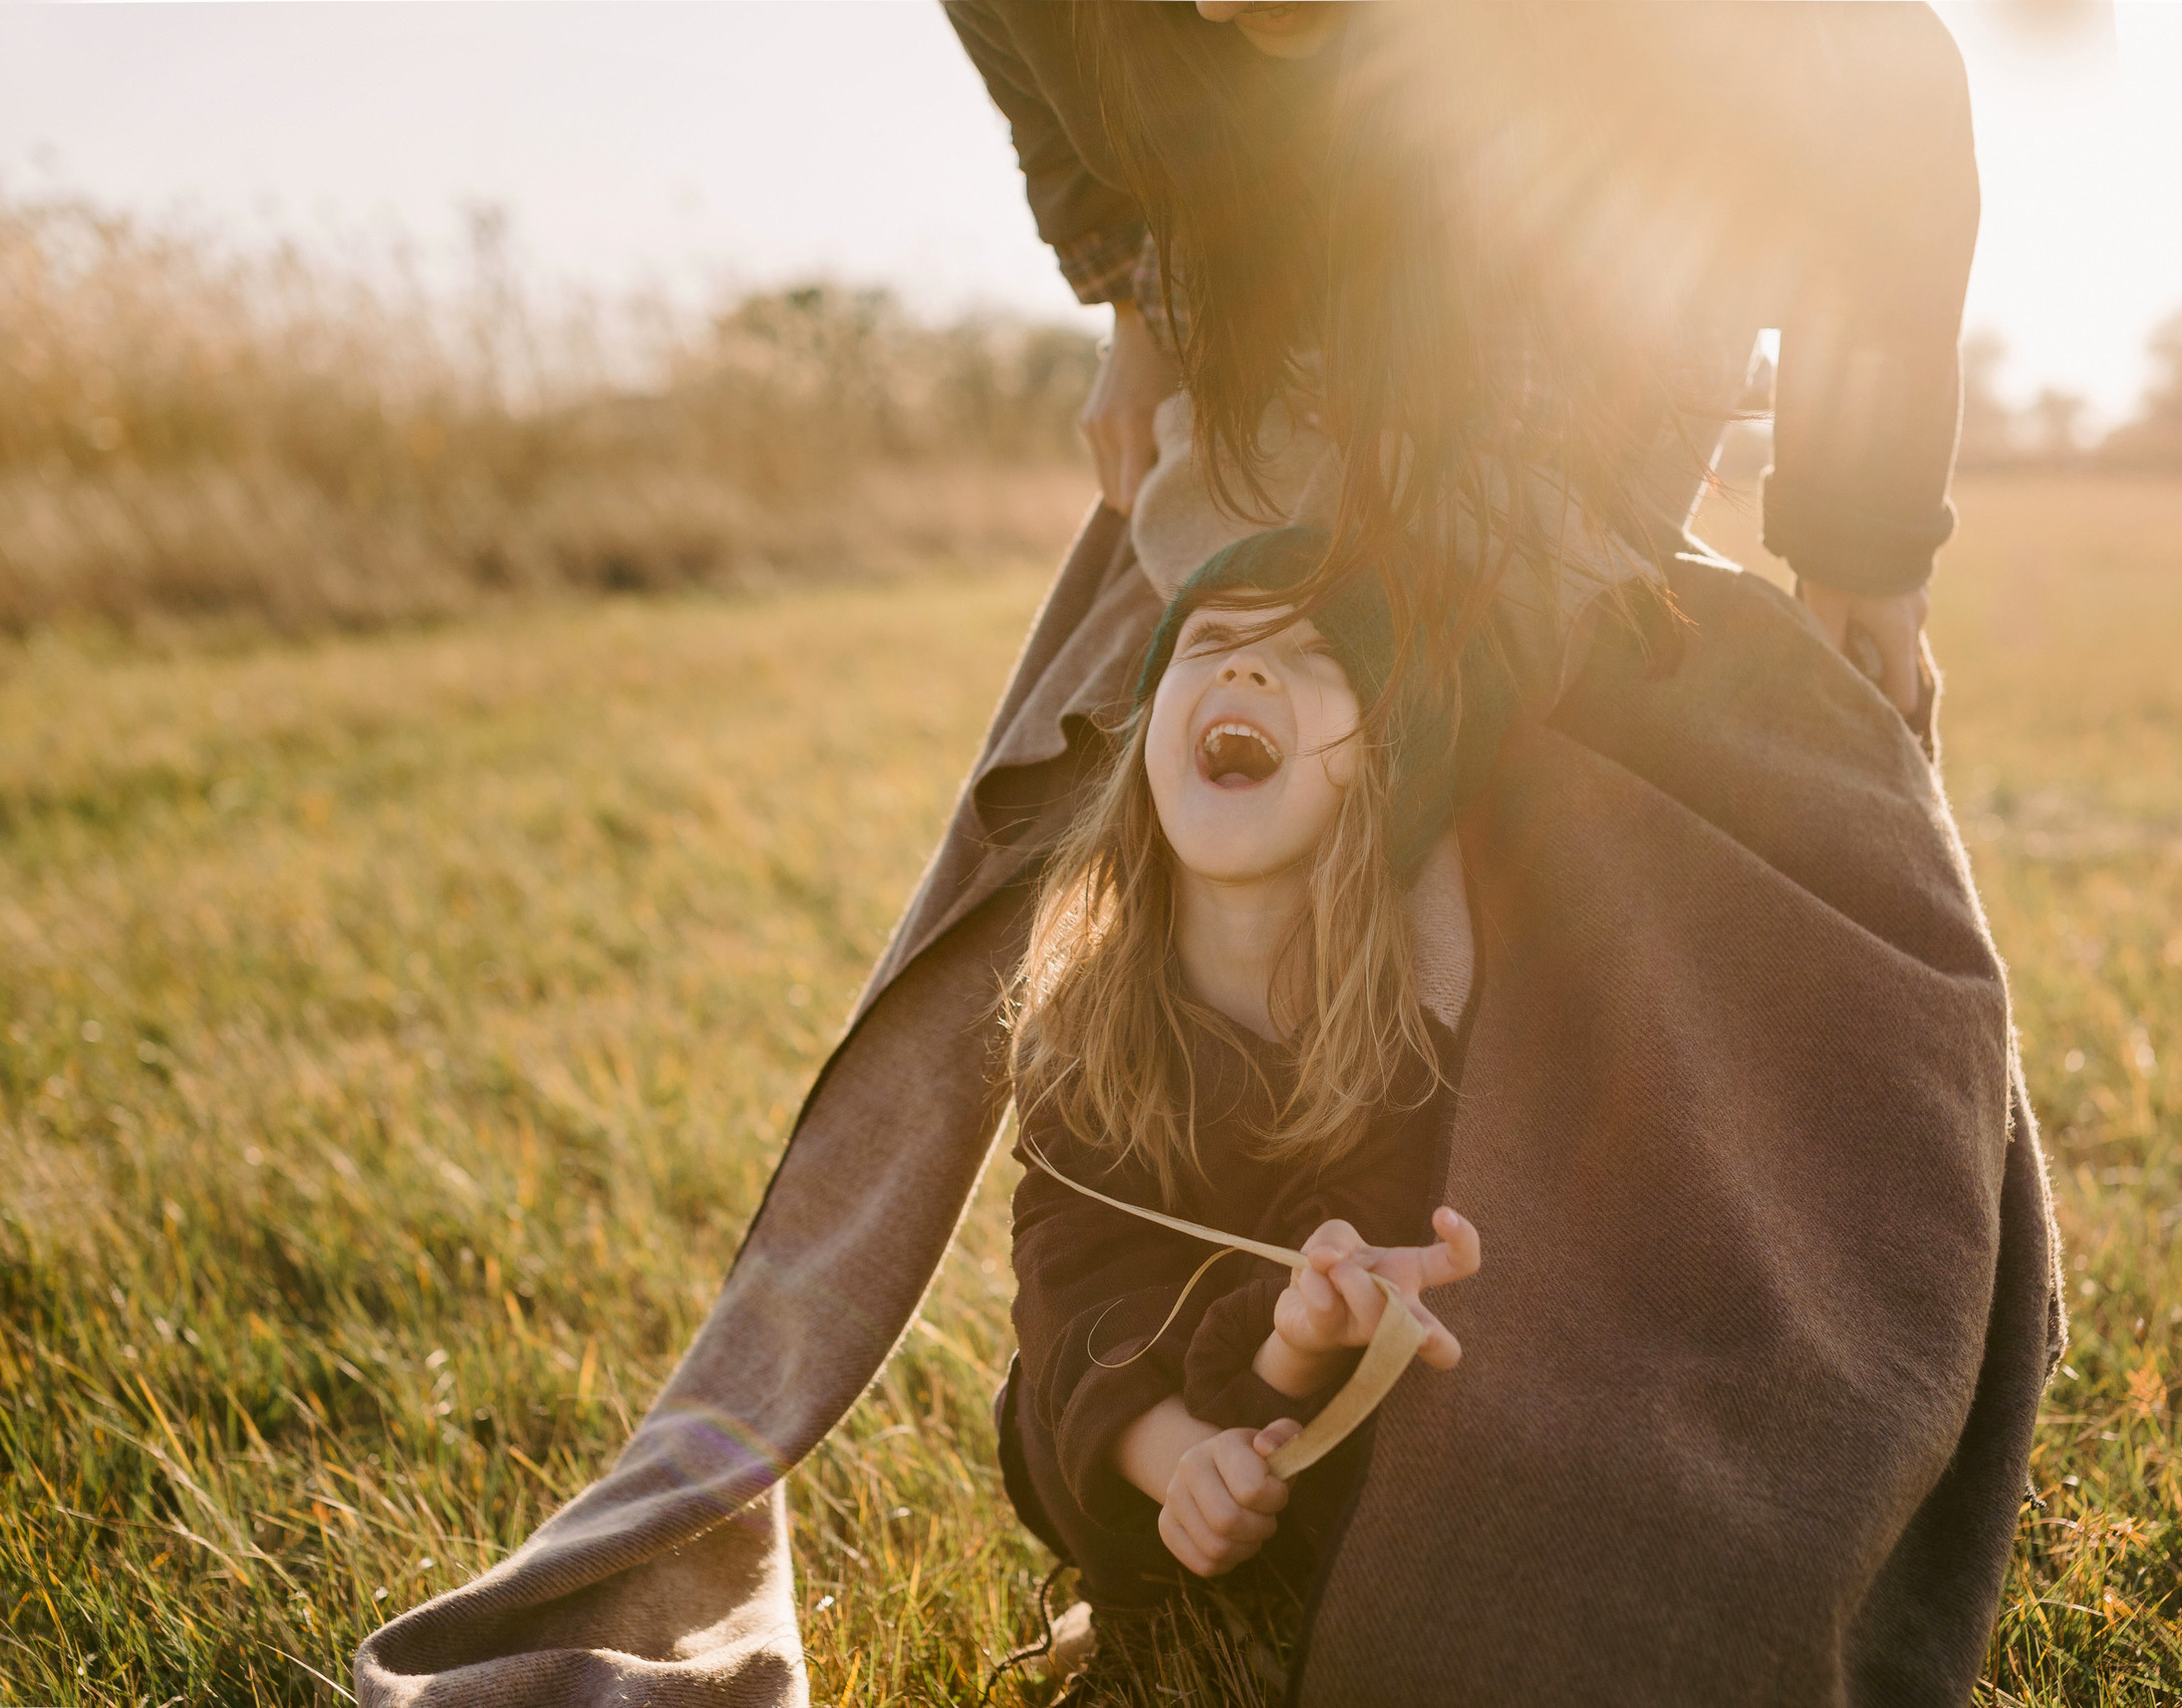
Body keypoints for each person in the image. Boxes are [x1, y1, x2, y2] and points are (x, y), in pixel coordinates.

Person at [356, 8, 2062, 1705]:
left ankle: (1585, 1495)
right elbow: (1051, 78)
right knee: (1216, 887)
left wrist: (1862, 532)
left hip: (1583, 351)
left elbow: (1879, 84)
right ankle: (1218, 1449)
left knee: (1564, 859)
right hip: (1271, 344)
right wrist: (1136, 303)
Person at [996, 527, 1486, 1620]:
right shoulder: (1085, 1024)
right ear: (1148, 741)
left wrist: (1303, 1334)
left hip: (1319, 1423)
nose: (1246, 665)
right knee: (1031, 1411)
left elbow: (1347, 1273)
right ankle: (1151, 1572)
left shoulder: (1400, 1035)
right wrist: (1175, 1459)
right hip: (1131, 1441)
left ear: (1371, 761)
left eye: (1315, 656)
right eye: (1210, 640)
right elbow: (1070, 1270)